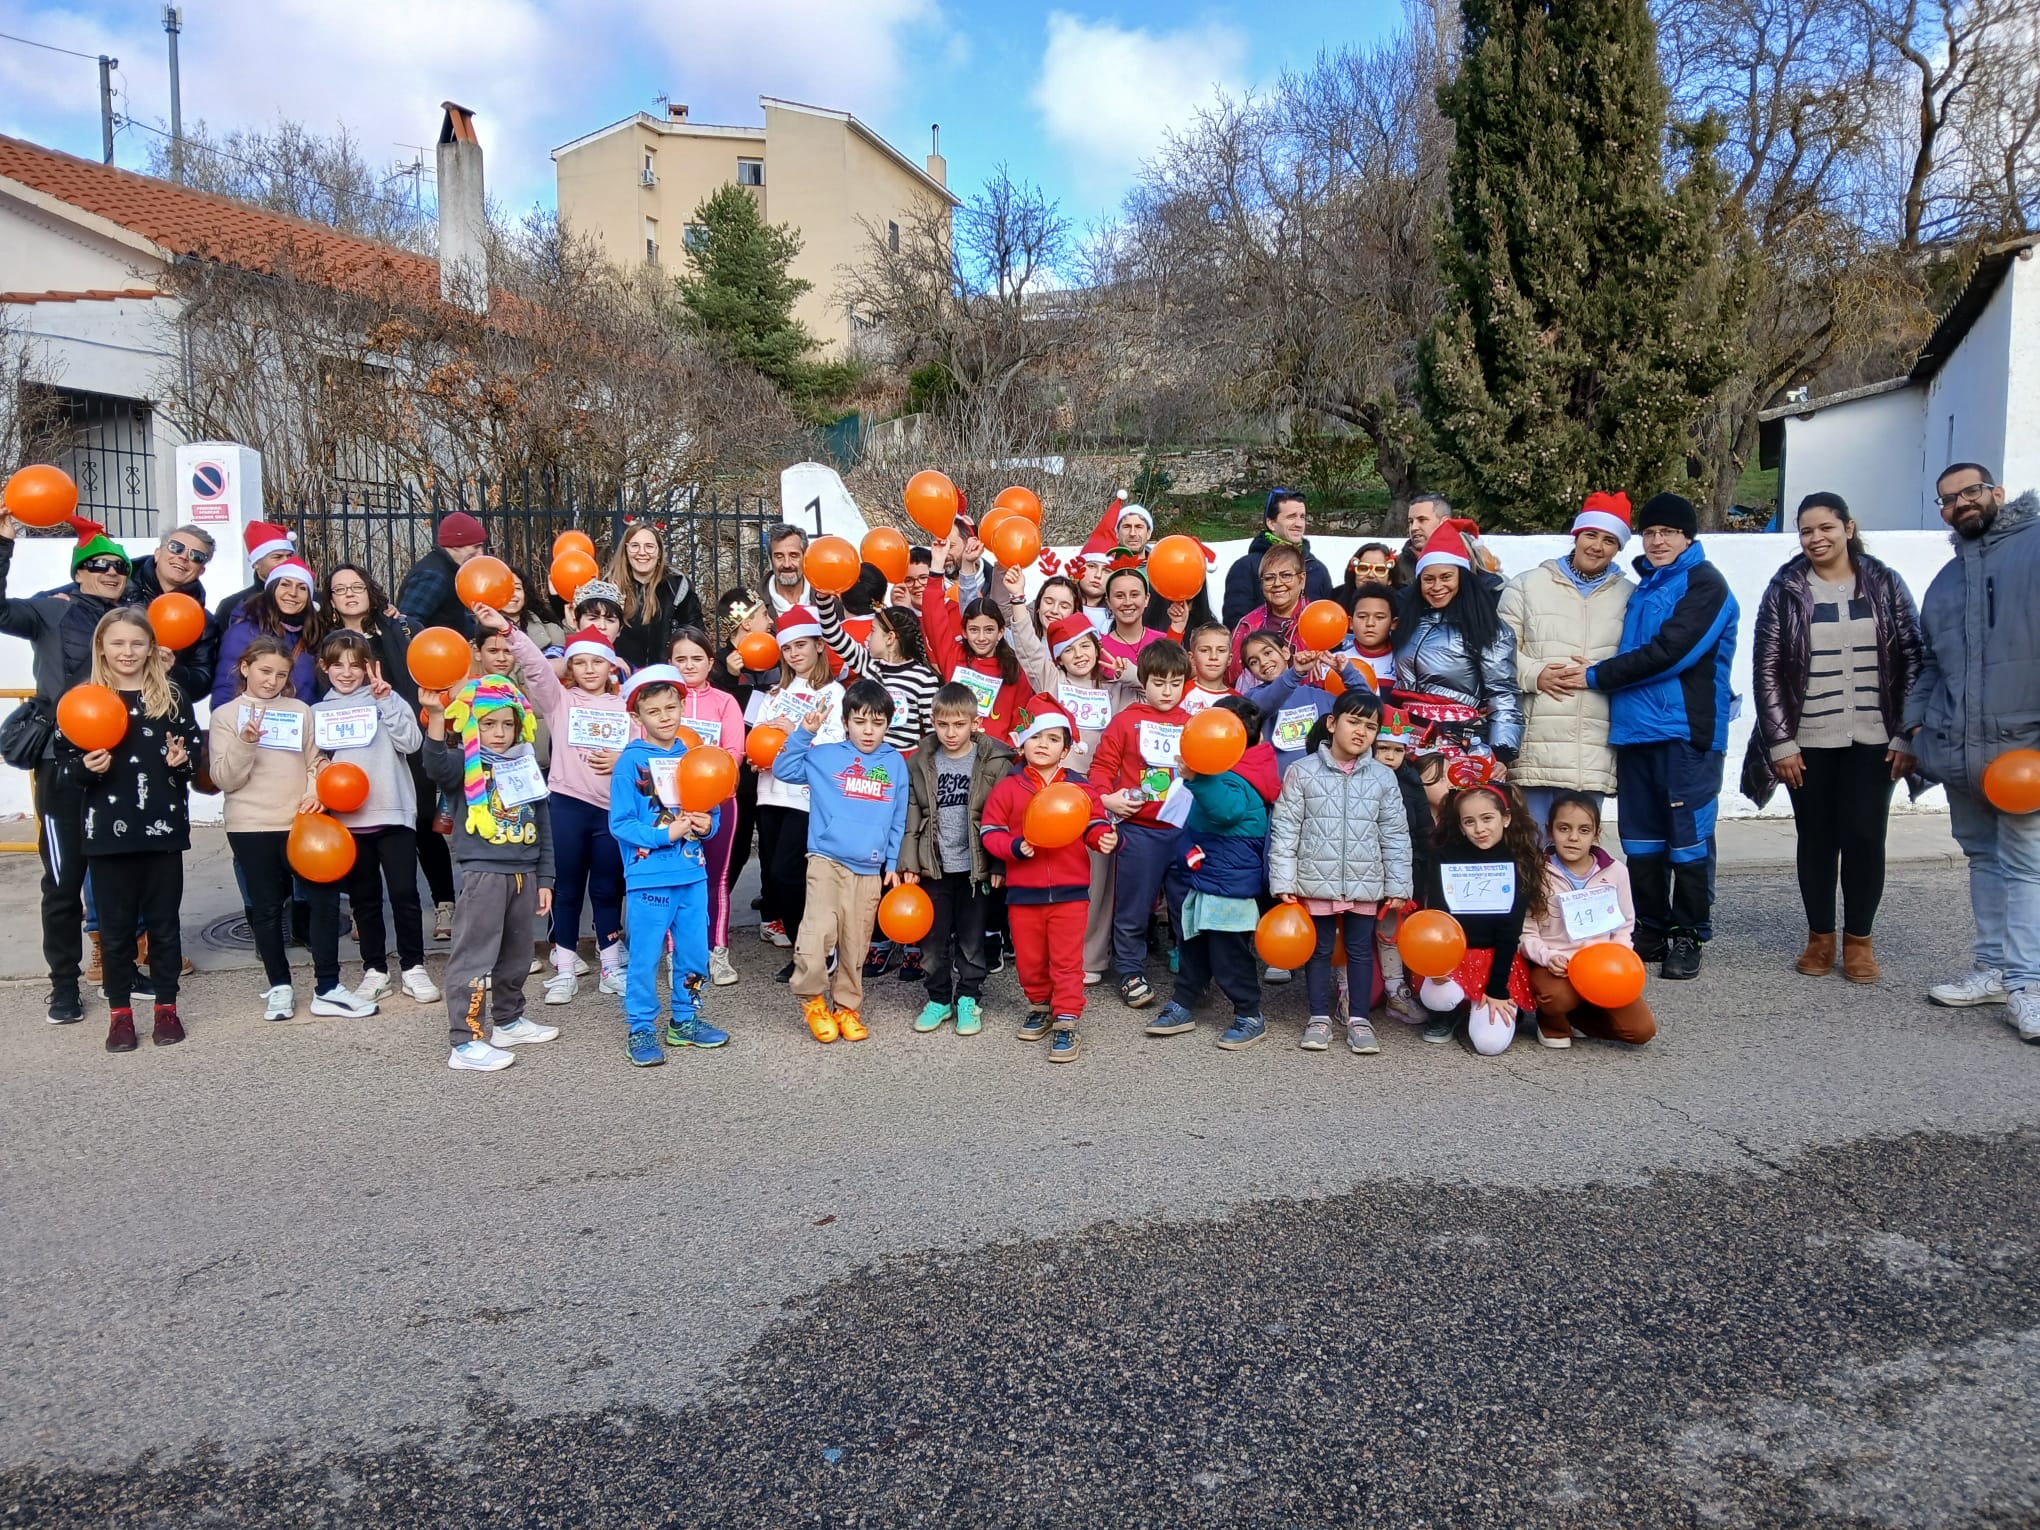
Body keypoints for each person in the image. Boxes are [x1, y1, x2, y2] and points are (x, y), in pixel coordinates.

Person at [1744, 492, 1924, 983]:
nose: (1816, 538)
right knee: (1817, 838)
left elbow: (1913, 657)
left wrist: (1906, 733)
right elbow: (1767, 669)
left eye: (1825, 527)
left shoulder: (1885, 583)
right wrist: (1781, 742)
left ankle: (1859, 942)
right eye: (1806, 531)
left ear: (1848, 528)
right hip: (1807, 741)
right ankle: (1820, 938)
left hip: (1875, 738)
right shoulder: (1785, 590)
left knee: (1865, 836)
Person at [1903, 464, 2040, 1036]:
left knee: (2026, 866)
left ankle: (2028, 984)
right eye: (1947, 499)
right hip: (1961, 750)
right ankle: (1993, 968)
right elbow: (1931, 664)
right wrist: (1916, 726)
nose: (1960, 503)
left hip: (2024, 751)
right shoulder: (1946, 581)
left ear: (1996, 493)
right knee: (1983, 858)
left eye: (1970, 492)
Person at [1583, 493, 1738, 981]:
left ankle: (1689, 933)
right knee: (1642, 840)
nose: (1657, 541)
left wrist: (1593, 676)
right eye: (1650, 532)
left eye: (1668, 532)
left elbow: (1671, 653)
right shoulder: (1644, 586)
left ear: (1688, 537)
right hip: (1634, 733)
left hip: (1684, 733)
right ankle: (1650, 926)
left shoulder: (1706, 583)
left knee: (1688, 842)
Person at [0, 512, 136, 1023]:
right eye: (99, 564)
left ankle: (123, 972)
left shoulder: (133, 620)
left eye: (119, 566)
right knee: (62, 882)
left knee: (119, 878)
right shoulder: (51, 609)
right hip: (61, 766)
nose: (111, 572)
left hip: (120, 765)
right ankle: (63, 985)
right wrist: (3, 544)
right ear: (79, 571)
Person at [60, 608, 200, 1051]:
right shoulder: (84, 700)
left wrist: (182, 761)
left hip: (163, 830)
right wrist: (86, 769)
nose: (127, 651)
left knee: (164, 925)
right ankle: (120, 1014)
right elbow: (64, 769)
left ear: (151, 647)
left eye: (137, 643)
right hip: (106, 835)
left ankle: (166, 1008)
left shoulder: (171, 697)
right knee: (115, 930)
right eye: (118, 643)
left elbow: (194, 751)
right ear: (101, 647)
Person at [483, 604, 630, 1003]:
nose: (588, 669)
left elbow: (644, 754)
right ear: (570, 668)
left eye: (597, 662)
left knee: (607, 890)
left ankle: (611, 966)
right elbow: (535, 667)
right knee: (565, 890)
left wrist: (622, 760)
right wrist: (508, 631)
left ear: (611, 666)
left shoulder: (626, 708)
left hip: (611, 811)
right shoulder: (559, 701)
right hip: (567, 806)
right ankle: (564, 968)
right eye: (579, 662)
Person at [422, 674, 557, 1073]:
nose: (499, 733)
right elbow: (434, 764)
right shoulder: (464, 765)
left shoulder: (526, 764)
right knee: (475, 958)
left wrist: (545, 878)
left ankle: (508, 1021)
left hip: (524, 875)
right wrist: (435, 716)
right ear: (471, 725)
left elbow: (543, 825)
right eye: (488, 723)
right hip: (484, 875)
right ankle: (465, 1041)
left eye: (507, 724)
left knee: (517, 956)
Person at [1268, 689, 1412, 1055]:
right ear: (1332, 723)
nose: (1361, 732)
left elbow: (1395, 833)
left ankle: (1359, 1020)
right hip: (1315, 877)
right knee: (1319, 950)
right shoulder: (1302, 771)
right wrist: (1283, 878)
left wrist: (1398, 884)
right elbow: (1285, 829)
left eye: (1370, 726)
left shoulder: (1383, 777)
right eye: (1354, 721)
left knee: (1360, 949)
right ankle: (1318, 1017)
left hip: (1366, 880)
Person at [773, 678, 911, 1045]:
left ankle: (847, 1008)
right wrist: (804, 733)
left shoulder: (895, 763)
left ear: (888, 724)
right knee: (816, 934)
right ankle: (813, 1000)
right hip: (827, 860)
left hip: (869, 867)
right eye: (860, 721)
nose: (868, 730)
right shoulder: (824, 756)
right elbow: (783, 769)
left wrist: (892, 861)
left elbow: (899, 816)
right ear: (846, 721)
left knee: (856, 944)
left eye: (877, 723)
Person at [979, 703, 1117, 1061]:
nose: (1043, 744)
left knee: (1066, 960)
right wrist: (1013, 847)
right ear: (1022, 742)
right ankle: (1039, 1005)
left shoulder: (1079, 787)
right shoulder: (1007, 788)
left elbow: (1094, 821)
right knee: (1029, 960)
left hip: (1071, 892)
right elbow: (990, 832)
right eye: (1036, 736)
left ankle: (1067, 1018)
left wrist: (1103, 837)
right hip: (1023, 893)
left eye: (1053, 739)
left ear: (1066, 750)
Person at [310, 632, 439, 1008]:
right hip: (347, 822)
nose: (346, 673)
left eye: (355, 665)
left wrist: (386, 702)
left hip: (393, 811)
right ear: (325, 668)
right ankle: (375, 970)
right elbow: (315, 761)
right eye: (338, 665)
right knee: (364, 900)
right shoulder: (318, 713)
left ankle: (413, 967)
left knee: (404, 895)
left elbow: (411, 743)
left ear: (369, 667)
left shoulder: (387, 698)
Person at [608, 664, 726, 1067]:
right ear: (637, 717)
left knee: (694, 953)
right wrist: (664, 834)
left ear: (682, 707)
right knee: (644, 958)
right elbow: (621, 823)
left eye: (671, 708)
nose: (664, 717)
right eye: (654, 711)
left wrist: (709, 825)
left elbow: (711, 808)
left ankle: (685, 1019)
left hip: (692, 874)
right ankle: (640, 1027)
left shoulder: (693, 756)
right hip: (648, 878)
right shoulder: (630, 763)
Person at [1498, 491, 1636, 831]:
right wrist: (1536, 674)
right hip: (1536, 743)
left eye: (1609, 540)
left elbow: (1640, 660)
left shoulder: (1632, 596)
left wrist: (1603, 673)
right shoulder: (1527, 586)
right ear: (1576, 535)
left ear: (1619, 547)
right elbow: (1498, 651)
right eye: (1591, 535)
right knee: (1531, 845)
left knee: (1578, 846)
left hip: (1593, 749)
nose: (1597, 546)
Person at [1144, 695, 1273, 1049]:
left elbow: (1226, 811)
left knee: (1229, 955)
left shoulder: (1243, 774)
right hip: (1207, 878)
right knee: (1193, 944)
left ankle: (1249, 1014)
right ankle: (1185, 1000)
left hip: (1230, 888)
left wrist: (1196, 779)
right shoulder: (1219, 771)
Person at [213, 636, 325, 1021]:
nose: (271, 680)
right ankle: (279, 985)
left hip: (300, 821)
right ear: (245, 668)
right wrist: (245, 743)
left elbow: (316, 761)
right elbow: (225, 779)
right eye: (264, 671)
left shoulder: (299, 710)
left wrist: (314, 792)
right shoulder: (226, 716)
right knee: (266, 908)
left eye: (280, 674)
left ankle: (328, 983)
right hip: (251, 824)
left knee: (318, 901)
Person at [900, 682, 1015, 1035]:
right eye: (943, 725)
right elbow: (912, 813)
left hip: (974, 871)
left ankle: (968, 998)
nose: (951, 733)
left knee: (971, 939)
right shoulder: (920, 762)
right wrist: (909, 863)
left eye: (959, 724)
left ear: (975, 723)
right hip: (933, 867)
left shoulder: (994, 762)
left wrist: (998, 864)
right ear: (932, 723)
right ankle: (938, 1000)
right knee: (932, 941)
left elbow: (1004, 816)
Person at [1091, 638, 1193, 1009]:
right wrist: (1106, 799)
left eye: (1175, 683)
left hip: (1183, 831)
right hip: (1140, 830)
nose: (1167, 691)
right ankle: (1130, 971)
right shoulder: (1126, 720)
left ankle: (1193, 971)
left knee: (1186, 907)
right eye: (1159, 683)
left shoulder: (1193, 724)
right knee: (1133, 906)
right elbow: (1101, 767)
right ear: (1143, 681)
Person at [1419, 768, 1545, 1053]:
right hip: (1455, 955)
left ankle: (1496, 1007)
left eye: (1487, 818)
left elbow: (1510, 932)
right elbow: (1438, 917)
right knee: (1439, 996)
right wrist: (1437, 966)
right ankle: (1448, 1013)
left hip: (1496, 959)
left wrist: (1497, 988)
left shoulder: (1518, 861)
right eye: (1469, 821)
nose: (1479, 829)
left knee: (1489, 1044)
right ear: (1461, 826)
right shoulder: (1445, 857)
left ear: (1506, 818)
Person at [1519, 792, 1657, 1048]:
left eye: (1584, 830)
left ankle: (1579, 1016)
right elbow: (1527, 932)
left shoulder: (1615, 872)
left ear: (1596, 834)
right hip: (1555, 966)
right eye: (1564, 828)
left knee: (1641, 1031)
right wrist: (1547, 957)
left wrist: (1619, 955)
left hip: (1602, 966)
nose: (1573, 837)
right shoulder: (1536, 871)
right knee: (1557, 997)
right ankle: (1552, 1021)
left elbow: (1625, 924)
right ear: (1549, 830)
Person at [748, 606, 845, 967]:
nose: (794, 654)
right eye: (787, 648)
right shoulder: (773, 692)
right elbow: (757, 737)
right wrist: (756, 758)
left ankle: (819, 948)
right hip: (769, 793)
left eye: (801, 645)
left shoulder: (833, 693)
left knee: (790, 874)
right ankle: (803, 950)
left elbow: (836, 748)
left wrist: (797, 733)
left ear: (819, 645)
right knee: (775, 880)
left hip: (806, 798)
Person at [1392, 519, 1523, 762]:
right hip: (1403, 741)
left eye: (1446, 577)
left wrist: (1501, 753)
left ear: (1462, 577)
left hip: (1459, 745)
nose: (1437, 586)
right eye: (1428, 579)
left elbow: (1503, 693)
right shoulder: (1408, 623)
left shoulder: (1487, 628)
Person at [668, 624, 748, 986]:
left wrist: (709, 776)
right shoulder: (663, 702)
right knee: (674, 879)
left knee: (717, 878)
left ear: (710, 662)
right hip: (671, 804)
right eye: (680, 659)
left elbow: (735, 753)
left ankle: (718, 951)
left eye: (696, 658)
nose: (688, 665)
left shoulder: (725, 701)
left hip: (719, 801)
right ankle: (677, 954)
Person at [817, 594, 940, 752]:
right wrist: (823, 599)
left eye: (873, 631)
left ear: (890, 638)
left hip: (904, 759)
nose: (868, 638)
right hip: (866, 755)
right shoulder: (868, 664)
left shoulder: (924, 678)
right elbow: (832, 634)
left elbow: (933, 731)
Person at [1373, 708, 1433, 1025]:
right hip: (1361, 871)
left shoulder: (1410, 781)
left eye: (1397, 750)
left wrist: (1422, 868)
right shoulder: (1359, 776)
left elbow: (1423, 828)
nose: (1390, 757)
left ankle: (1396, 990)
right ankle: (1348, 990)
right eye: (1383, 748)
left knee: (1391, 932)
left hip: (1399, 874)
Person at [921, 589, 1033, 743]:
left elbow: (1021, 721)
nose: (981, 638)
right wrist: (935, 578)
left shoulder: (1014, 669)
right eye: (974, 630)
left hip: (996, 754)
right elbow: (933, 617)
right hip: (954, 749)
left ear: (1000, 632)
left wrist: (1005, 752)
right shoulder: (953, 655)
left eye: (989, 630)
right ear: (964, 632)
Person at [130, 523, 220, 703]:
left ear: (201, 570)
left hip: (163, 707)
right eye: (176, 547)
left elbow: (202, 681)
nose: (183, 557)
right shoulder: (118, 590)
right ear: (158, 553)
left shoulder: (203, 622)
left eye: (196, 556)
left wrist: (172, 670)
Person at [213, 558, 318, 710]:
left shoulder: (313, 633)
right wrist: (232, 722)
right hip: (252, 722)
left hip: (300, 721)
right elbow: (226, 688)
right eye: (285, 584)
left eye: (302, 588)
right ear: (271, 588)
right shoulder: (244, 631)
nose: (293, 593)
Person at [1221, 489, 1334, 629]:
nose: (1299, 524)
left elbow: (1329, 620)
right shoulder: (1246, 567)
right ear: (1271, 523)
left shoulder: (1317, 569)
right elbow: (1237, 626)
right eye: (1291, 517)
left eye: (1302, 517)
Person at [605, 523, 703, 671]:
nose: (642, 552)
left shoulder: (678, 587)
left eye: (649, 546)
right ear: (626, 550)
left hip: (666, 674)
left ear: (659, 552)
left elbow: (694, 634)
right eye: (635, 546)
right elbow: (596, 635)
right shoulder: (609, 586)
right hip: (621, 674)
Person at [1227, 543, 1313, 684]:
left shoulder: (1320, 621)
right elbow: (1231, 678)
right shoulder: (1247, 625)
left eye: (1286, 575)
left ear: (1302, 580)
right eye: (1269, 578)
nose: (1277, 583)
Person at [396, 511, 487, 637]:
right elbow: (406, 625)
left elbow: (455, 618)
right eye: (476, 547)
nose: (481, 553)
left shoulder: (450, 570)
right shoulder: (433, 575)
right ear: (455, 545)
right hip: (434, 648)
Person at [1393, 493, 1503, 593]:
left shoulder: (1475, 560)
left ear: (1444, 522)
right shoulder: (1396, 566)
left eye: (1422, 520)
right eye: (1411, 522)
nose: (1414, 528)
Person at [214, 521, 297, 630]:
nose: (286, 562)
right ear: (256, 563)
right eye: (277, 557)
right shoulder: (232, 606)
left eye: (289, 556)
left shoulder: (308, 600)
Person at [1181, 622, 1235, 714]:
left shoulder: (1237, 700)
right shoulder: (1179, 692)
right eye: (1204, 650)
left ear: (1229, 659)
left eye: (1221, 650)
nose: (1213, 657)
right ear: (1192, 658)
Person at [763, 524, 813, 616]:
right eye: (779, 556)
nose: (787, 564)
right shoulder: (753, 606)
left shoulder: (829, 600)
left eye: (794, 556)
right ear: (770, 559)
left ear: (805, 557)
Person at [1336, 543, 1397, 612]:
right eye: (1363, 568)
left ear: (1389, 579)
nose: (1370, 575)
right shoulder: (1335, 599)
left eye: (1379, 570)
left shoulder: (1402, 605)